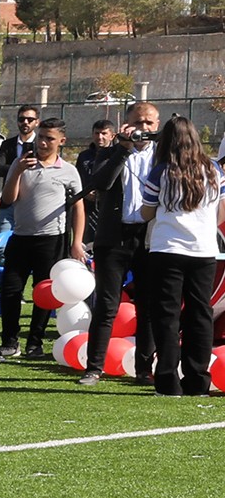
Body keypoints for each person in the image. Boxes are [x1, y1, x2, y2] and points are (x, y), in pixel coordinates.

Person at [80, 100, 160, 386]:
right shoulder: (111, 152)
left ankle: (143, 369)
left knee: (148, 305)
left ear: (157, 125)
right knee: (107, 304)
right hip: (113, 237)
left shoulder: (163, 156)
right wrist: (122, 150)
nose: (143, 128)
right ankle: (94, 367)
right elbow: (98, 184)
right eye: (138, 122)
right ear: (127, 125)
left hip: (149, 237)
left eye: (149, 123)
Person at [140, 115, 220, 397]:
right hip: (204, 251)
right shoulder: (214, 170)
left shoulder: (161, 171)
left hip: (167, 249)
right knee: (200, 315)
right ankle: (198, 380)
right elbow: (220, 210)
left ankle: (167, 381)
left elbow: (146, 212)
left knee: (167, 316)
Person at [0, 121, 77, 361]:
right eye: (40, 137)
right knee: (10, 290)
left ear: (62, 141)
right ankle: (9, 342)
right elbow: (8, 199)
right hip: (20, 238)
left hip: (51, 240)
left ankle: (35, 343)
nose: (42, 143)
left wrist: (77, 241)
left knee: (43, 293)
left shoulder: (68, 170)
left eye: (49, 138)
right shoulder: (21, 165)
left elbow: (78, 205)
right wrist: (17, 171)